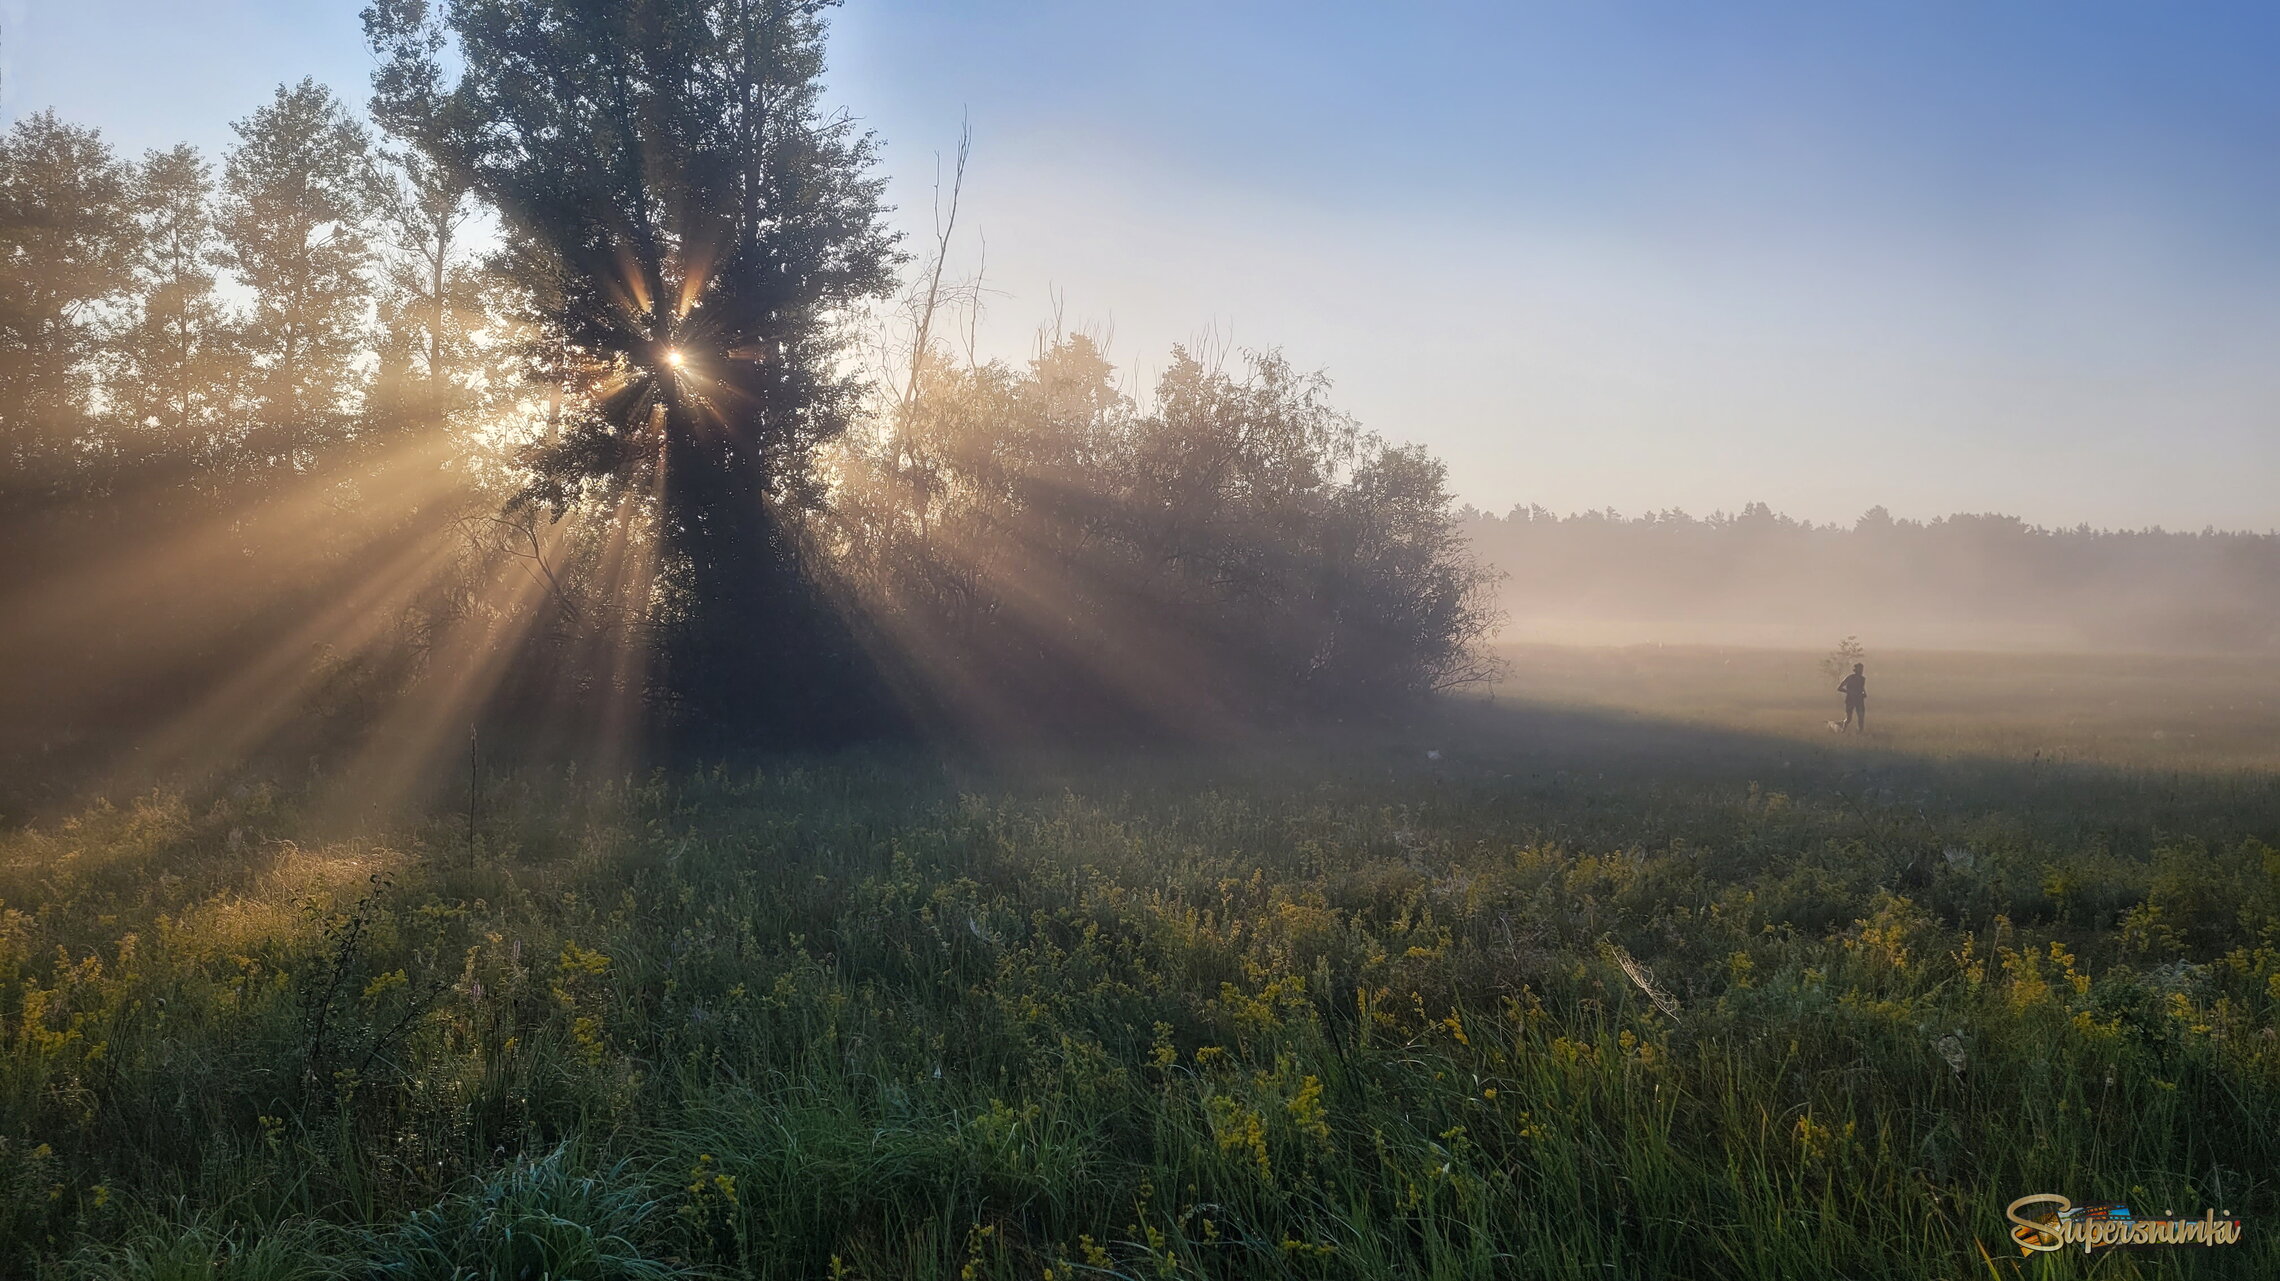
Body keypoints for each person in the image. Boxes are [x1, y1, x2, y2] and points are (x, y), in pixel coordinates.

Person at [1837, 662, 1866, 732]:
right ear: (1855, 670)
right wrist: (1849, 692)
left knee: (1861, 717)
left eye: (1862, 669)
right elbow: (1839, 688)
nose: (1861, 671)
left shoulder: (1863, 679)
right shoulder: (1850, 678)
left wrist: (1864, 693)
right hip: (1850, 700)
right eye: (1860, 669)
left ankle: (1860, 732)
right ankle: (1843, 729)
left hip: (1859, 700)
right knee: (1849, 718)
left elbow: (1862, 688)